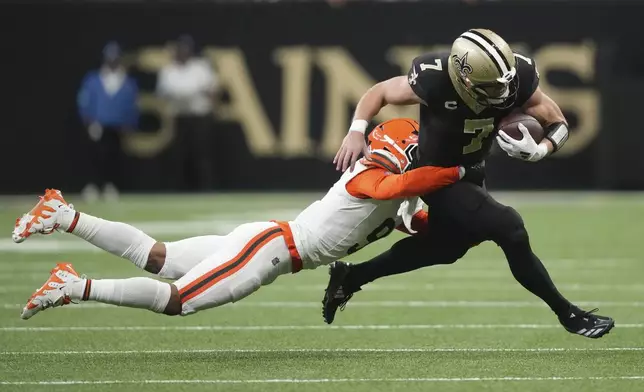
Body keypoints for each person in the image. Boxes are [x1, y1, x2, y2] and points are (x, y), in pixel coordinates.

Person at [12, 119, 483, 320]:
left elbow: (409, 217)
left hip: (266, 240)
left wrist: (458, 221)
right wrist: (457, 171)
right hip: (272, 249)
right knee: (177, 301)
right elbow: (394, 188)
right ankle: (72, 286)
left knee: (158, 257)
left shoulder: (398, 190)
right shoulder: (373, 175)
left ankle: (63, 214)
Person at [324, 29, 614, 339]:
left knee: (445, 248)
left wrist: (541, 150)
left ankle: (351, 277)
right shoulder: (435, 78)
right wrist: (356, 130)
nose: (504, 93)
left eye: (507, 83)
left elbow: (557, 123)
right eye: (492, 87)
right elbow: (380, 92)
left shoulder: (517, 77)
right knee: (510, 228)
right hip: (438, 174)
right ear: (464, 79)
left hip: (473, 170)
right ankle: (568, 313)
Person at [77, 41, 139, 202]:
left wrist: (130, 124)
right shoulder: (93, 79)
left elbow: (132, 105)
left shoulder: (127, 81)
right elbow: (85, 101)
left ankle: (110, 185)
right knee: (95, 155)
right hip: (98, 124)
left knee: (115, 156)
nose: (112, 61)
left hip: (118, 126)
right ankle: (93, 185)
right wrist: (89, 122)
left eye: (115, 58)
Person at [156, 35, 218, 191]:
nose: (184, 52)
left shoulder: (200, 68)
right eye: (181, 49)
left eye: (186, 49)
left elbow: (212, 92)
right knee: (180, 155)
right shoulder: (168, 71)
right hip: (179, 116)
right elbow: (161, 95)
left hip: (199, 117)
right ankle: (181, 189)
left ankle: (205, 189)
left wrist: (196, 94)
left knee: (201, 155)